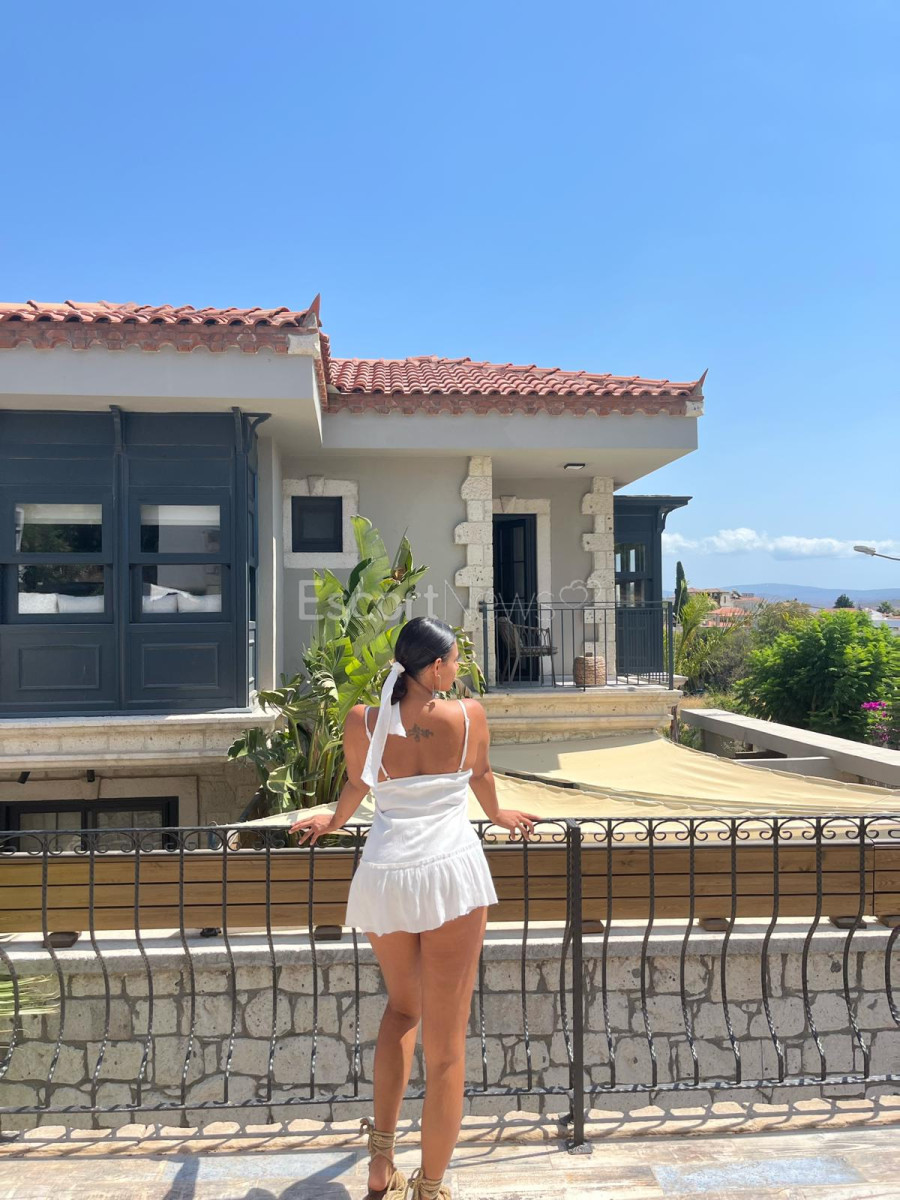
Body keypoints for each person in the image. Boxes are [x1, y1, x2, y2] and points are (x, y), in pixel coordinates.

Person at [290, 616, 537, 1200]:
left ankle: (381, 1165)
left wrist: (334, 821)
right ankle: (430, 1187)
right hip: (450, 872)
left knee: (402, 1010)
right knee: (446, 1048)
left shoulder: (364, 719)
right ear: (435, 666)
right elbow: (481, 774)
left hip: (385, 874)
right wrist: (498, 816)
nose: (459, 668)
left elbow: (358, 784)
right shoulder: (468, 716)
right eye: (454, 660)